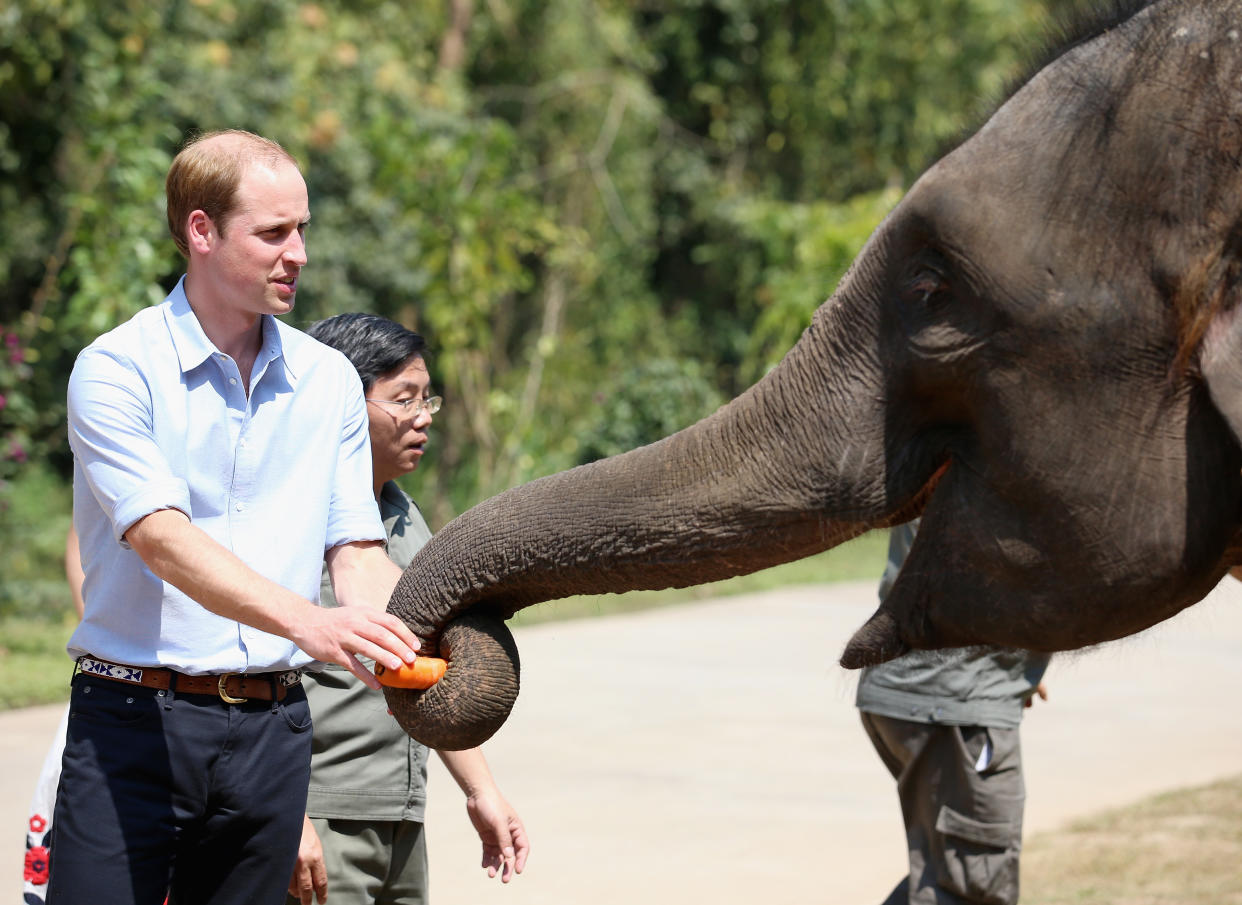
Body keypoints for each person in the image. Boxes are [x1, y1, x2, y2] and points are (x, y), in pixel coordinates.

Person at [51, 129, 421, 905]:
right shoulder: (118, 369)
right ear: (201, 230)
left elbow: (354, 548)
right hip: (131, 725)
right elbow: (162, 537)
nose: (300, 254)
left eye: (304, 230)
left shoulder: (325, 383)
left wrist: (416, 636)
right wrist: (309, 624)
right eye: (274, 232)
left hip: (272, 732)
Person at [286, 313, 529, 905]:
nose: (423, 418)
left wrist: (480, 790)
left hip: (399, 811)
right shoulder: (286, 520)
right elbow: (240, 676)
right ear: (341, 403)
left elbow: (424, 673)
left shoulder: (403, 514)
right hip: (319, 817)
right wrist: (283, 818)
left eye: (428, 400)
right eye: (403, 400)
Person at [857, 519, 1049, 905]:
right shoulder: (992, 464)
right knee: (971, 884)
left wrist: (1015, 665)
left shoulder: (937, 461)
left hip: (917, 691)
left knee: (946, 868)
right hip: (952, 705)